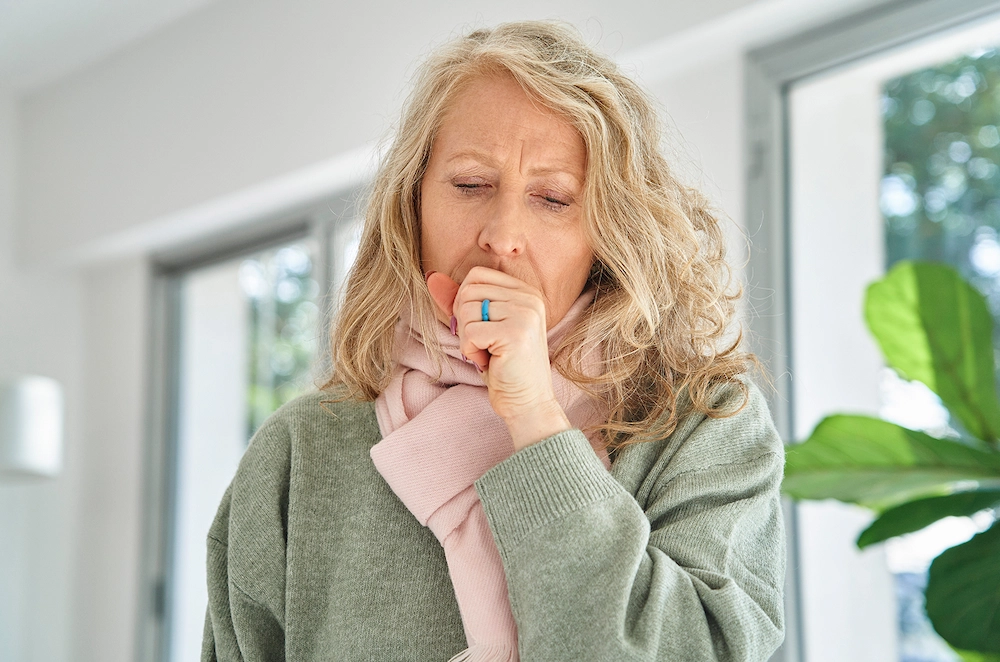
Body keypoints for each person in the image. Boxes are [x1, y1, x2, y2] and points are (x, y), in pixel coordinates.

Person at [202, 20, 785, 662]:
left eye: (553, 198)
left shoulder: (703, 422)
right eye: (471, 185)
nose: (502, 235)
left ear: (608, 232)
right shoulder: (300, 451)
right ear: (411, 206)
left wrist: (534, 416)